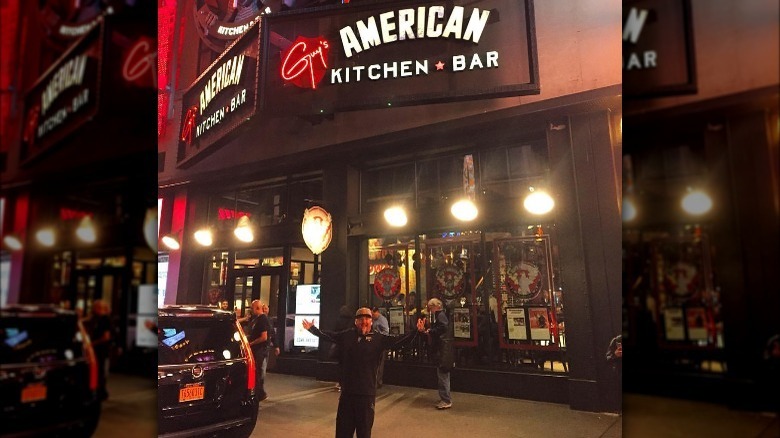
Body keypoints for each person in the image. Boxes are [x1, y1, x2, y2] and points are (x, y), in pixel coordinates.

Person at [302, 308, 422, 438]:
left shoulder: (378, 338)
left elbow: (400, 341)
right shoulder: (347, 335)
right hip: (347, 394)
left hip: (366, 395)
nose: (364, 322)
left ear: (371, 321)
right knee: (343, 432)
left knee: (364, 432)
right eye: (360, 319)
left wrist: (416, 331)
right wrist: (312, 329)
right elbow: (330, 336)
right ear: (355, 321)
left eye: (367, 319)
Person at [421, 297, 454, 410]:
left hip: (442, 349)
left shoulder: (440, 315)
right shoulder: (441, 315)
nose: (430, 310)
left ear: (436, 306)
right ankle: (445, 397)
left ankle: (446, 399)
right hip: (443, 348)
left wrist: (431, 331)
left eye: (431, 307)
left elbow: (443, 327)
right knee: (443, 375)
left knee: (442, 375)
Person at [85, 299, 114, 401]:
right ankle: (99, 391)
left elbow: (106, 337)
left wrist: (91, 344)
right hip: (98, 350)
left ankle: (101, 392)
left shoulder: (105, 319)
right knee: (98, 371)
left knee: (100, 371)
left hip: (101, 350)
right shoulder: (96, 319)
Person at [246, 299, 271, 401]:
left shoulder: (262, 319)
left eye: (252, 308)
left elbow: (264, 337)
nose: (251, 310)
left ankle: (260, 393)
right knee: (256, 372)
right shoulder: (255, 319)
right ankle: (258, 392)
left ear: (257, 308)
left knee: (259, 372)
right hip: (256, 350)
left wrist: (252, 343)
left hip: (260, 350)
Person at [371, 306, 389, 388]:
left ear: (377, 312)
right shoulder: (374, 320)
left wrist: (377, 333)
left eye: (373, 314)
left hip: (381, 344)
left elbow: (386, 332)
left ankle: (378, 381)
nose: (372, 316)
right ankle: (375, 381)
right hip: (375, 343)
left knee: (380, 364)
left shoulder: (382, 320)